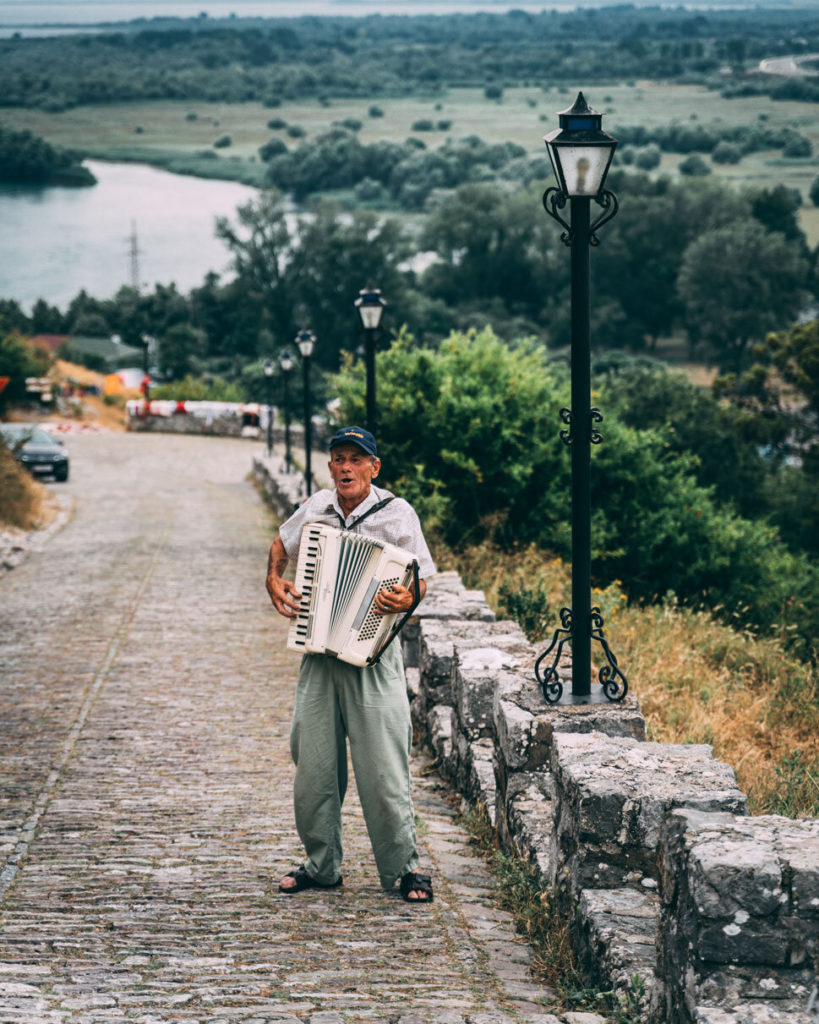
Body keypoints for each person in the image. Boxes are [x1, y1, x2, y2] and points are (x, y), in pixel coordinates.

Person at [266, 425, 437, 903]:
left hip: (373, 655)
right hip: (319, 652)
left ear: (373, 467)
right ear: (330, 466)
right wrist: (273, 577)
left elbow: (421, 576)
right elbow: (282, 542)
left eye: (356, 460)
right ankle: (321, 867)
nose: (346, 467)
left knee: (384, 768)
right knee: (314, 767)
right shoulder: (316, 507)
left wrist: (408, 597)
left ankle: (403, 870)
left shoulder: (397, 514)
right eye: (339, 458)